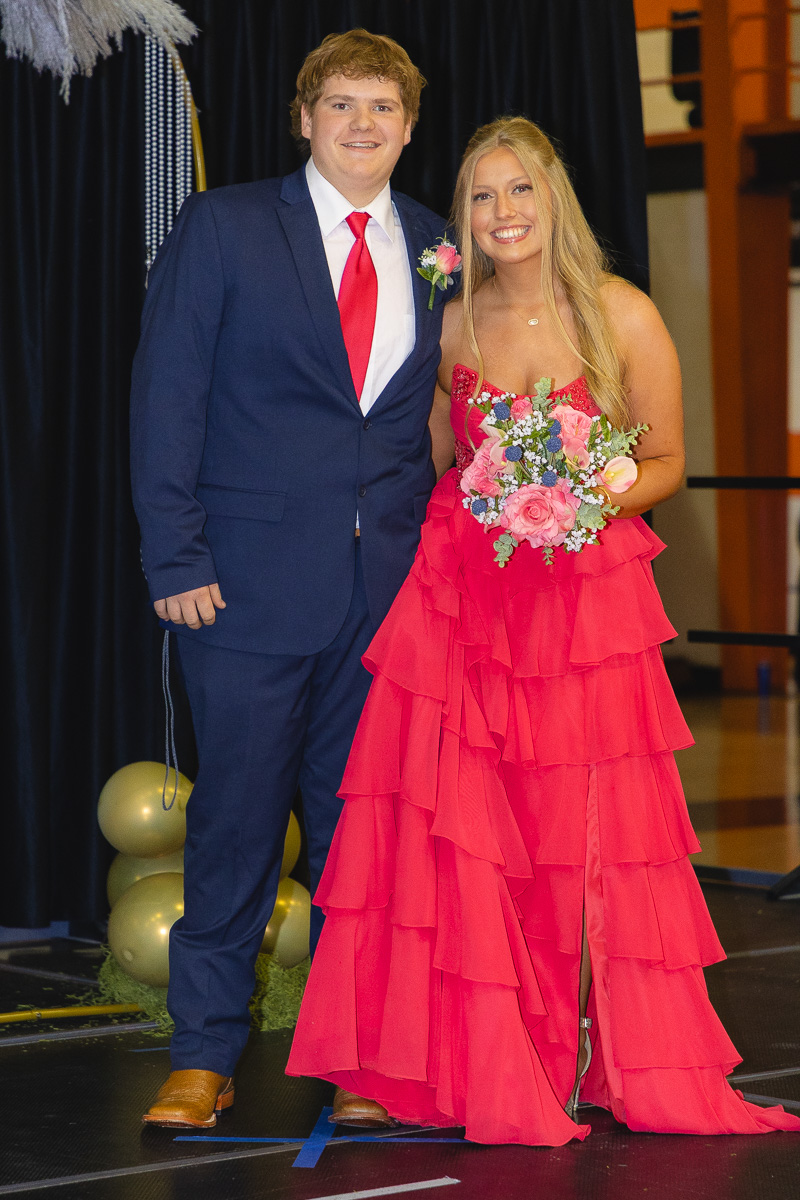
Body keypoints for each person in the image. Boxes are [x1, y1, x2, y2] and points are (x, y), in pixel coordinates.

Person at [286, 117, 800, 1145]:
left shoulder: (618, 314)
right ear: (462, 220)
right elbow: (423, 460)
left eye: (517, 190)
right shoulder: (454, 328)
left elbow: (660, 464)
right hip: (461, 604)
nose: (501, 213)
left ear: (552, 196)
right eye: (480, 197)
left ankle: (588, 1048)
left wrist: (577, 494)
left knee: (579, 837)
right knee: (467, 834)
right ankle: (470, 1055)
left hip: (579, 609)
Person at [130, 29, 448, 1130]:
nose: (362, 125)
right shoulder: (222, 227)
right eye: (341, 105)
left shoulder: (433, 243)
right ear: (303, 119)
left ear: (409, 128)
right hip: (243, 590)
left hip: (389, 599)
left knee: (365, 837)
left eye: (382, 108)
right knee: (234, 827)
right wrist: (175, 556)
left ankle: (359, 1058)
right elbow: (166, 393)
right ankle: (204, 1057)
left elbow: (433, 423)